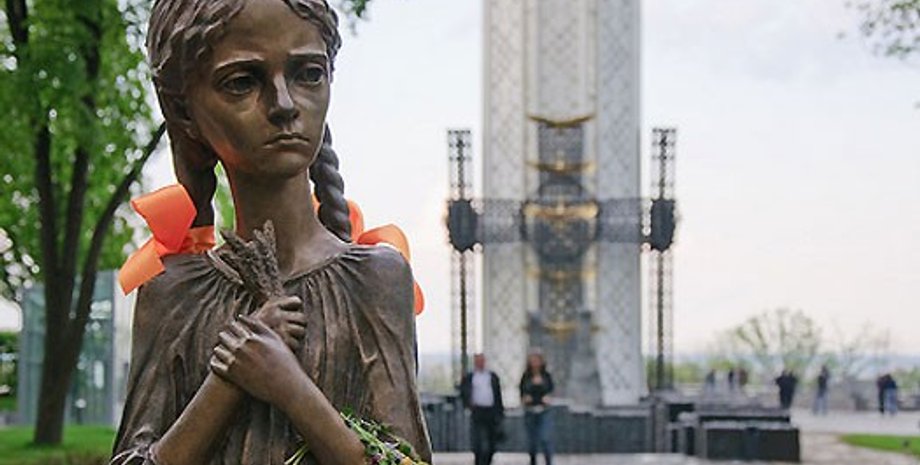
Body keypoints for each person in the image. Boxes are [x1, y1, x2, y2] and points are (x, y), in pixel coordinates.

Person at [110, 1, 432, 464]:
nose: (284, 105)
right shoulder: (173, 291)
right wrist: (226, 382)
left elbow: (403, 461)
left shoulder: (375, 279)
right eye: (242, 82)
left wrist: (288, 385)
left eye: (308, 74)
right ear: (183, 111)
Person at [461, 354, 504, 465]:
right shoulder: (470, 376)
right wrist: (468, 404)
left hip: (491, 411)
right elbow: (464, 391)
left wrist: (500, 412)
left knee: (491, 438)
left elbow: (498, 394)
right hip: (477, 410)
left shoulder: (492, 376)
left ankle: (488, 460)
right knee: (478, 439)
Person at [519, 351, 554, 465]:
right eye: (532, 360)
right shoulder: (526, 376)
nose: (535, 363)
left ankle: (548, 461)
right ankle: (533, 460)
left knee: (545, 438)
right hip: (530, 410)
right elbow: (522, 392)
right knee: (532, 441)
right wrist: (526, 399)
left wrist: (546, 398)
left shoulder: (546, 376)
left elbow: (550, 390)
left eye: (537, 360)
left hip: (544, 410)